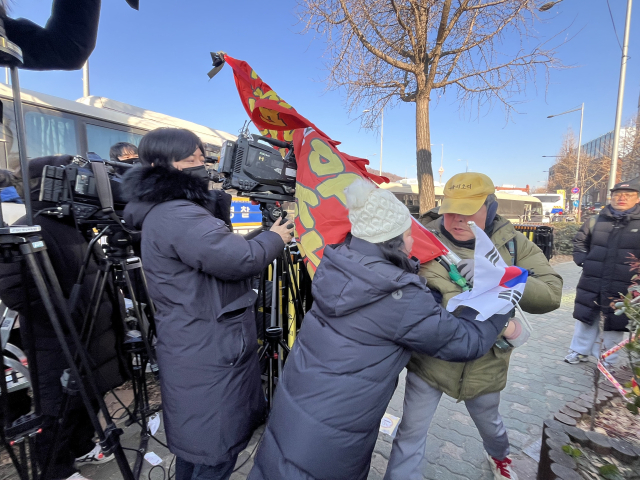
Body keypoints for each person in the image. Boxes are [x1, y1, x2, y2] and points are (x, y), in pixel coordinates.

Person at [248, 178, 514, 480]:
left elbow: (380, 304)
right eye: (408, 234)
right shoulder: (400, 297)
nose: (414, 242)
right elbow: (467, 342)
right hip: (334, 434)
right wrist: (502, 301)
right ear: (394, 240)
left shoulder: (337, 261)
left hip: (296, 414)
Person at [122, 128, 294, 480]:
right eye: (191, 161)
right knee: (215, 455)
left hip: (197, 341)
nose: (201, 167)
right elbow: (239, 260)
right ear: (160, 164)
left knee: (198, 448)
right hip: (209, 349)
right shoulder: (177, 214)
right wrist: (275, 238)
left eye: (203, 159)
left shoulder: (167, 210)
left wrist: (257, 234)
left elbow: (214, 250)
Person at [385, 172, 562, 480]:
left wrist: (504, 274)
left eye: (467, 212)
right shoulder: (418, 238)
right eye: (450, 209)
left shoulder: (512, 244)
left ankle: (500, 458)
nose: (456, 219)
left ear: (490, 208)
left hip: (485, 366)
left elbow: (551, 294)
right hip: (430, 362)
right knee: (410, 432)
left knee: (491, 425)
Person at [0, 155, 128, 479]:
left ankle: (83, 446)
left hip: (94, 336)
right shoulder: (28, 228)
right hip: (56, 341)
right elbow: (14, 288)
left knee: (90, 397)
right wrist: (67, 316)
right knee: (57, 409)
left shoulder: (76, 224)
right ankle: (56, 471)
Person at [565, 180, 640, 366]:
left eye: (628, 195)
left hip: (624, 283)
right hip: (593, 280)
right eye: (617, 194)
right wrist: (583, 260)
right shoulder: (596, 220)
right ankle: (578, 352)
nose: (622, 198)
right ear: (611, 197)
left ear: (637, 198)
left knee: (615, 323)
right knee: (586, 317)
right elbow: (579, 242)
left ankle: (608, 360)